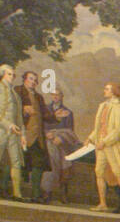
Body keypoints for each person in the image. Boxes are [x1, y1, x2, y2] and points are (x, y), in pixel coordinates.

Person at [87, 82, 120, 215]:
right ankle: (103, 203)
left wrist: (104, 142)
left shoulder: (117, 108)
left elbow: (118, 130)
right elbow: (99, 127)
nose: (105, 91)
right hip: (101, 146)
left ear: (114, 91)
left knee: (119, 173)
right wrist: (91, 138)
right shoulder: (103, 106)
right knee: (99, 172)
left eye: (107, 89)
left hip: (112, 146)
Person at [41, 88, 81, 204]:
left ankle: (63, 193)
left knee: (65, 167)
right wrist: (47, 134)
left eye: (57, 95)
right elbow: (41, 125)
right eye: (53, 95)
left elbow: (70, 130)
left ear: (61, 96)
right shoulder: (45, 110)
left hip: (62, 145)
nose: (55, 97)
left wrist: (61, 138)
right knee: (50, 166)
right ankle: (47, 193)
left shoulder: (68, 112)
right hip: (48, 142)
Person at [16, 71, 49, 202]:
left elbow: (45, 115)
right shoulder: (17, 91)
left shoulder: (39, 97)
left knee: (38, 164)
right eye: (31, 79)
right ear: (24, 79)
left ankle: (36, 195)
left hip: (37, 137)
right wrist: (23, 110)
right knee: (15, 163)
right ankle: (12, 192)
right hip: (21, 134)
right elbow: (9, 109)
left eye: (35, 80)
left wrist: (56, 116)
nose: (33, 82)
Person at [0, 65, 23, 201]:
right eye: (9, 74)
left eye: (13, 75)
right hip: (1, 131)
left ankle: (17, 193)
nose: (12, 77)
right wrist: (9, 125)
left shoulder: (15, 94)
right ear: (3, 74)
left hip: (14, 133)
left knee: (16, 161)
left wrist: (23, 134)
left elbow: (19, 116)